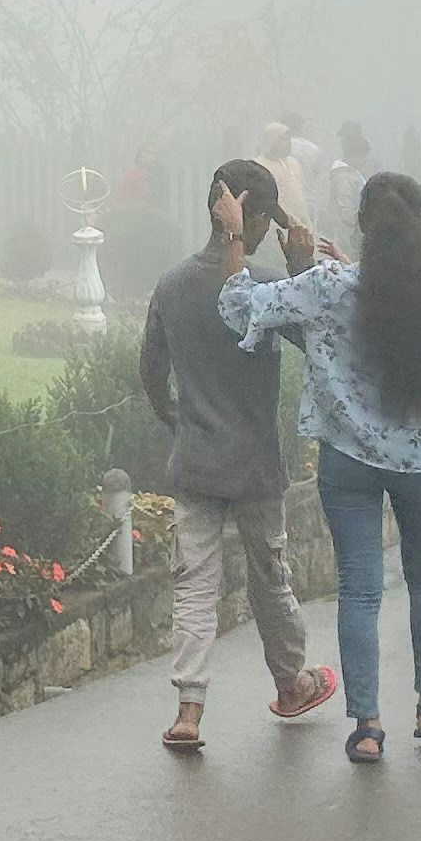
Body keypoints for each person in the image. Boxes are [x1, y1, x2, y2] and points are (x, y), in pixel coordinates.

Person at [222, 170, 421, 766]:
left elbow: (240, 305)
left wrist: (237, 238)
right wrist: (334, 268)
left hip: (349, 464)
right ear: (419, 226)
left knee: (359, 591)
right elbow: (386, 294)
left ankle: (367, 727)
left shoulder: (327, 288)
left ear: (363, 223)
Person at [135, 158, 341, 750]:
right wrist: (302, 264)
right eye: (263, 220)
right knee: (270, 579)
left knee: (194, 585)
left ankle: (189, 711)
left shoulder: (172, 284)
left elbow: (152, 368)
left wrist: (175, 417)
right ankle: (291, 682)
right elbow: (315, 337)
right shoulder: (267, 284)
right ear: (244, 216)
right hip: (254, 464)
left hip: (196, 460)